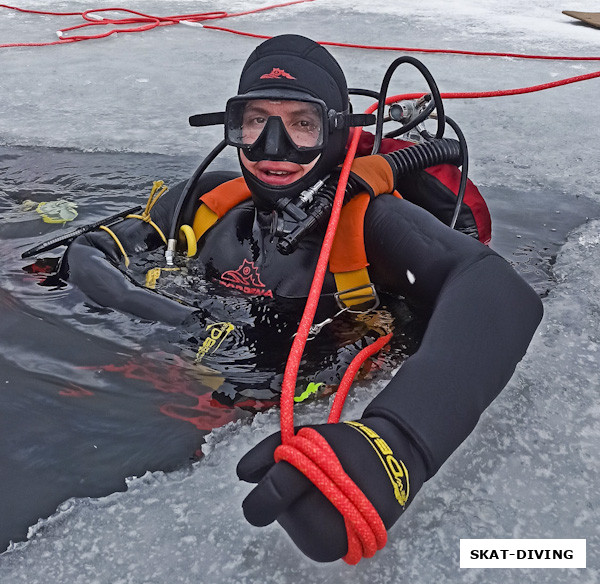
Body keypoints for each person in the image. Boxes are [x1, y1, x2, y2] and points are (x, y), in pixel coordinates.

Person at [64, 34, 543, 563]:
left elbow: (499, 290)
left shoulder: (368, 222)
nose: (273, 148)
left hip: (296, 394)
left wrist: (398, 443)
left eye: (301, 125)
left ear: (337, 132)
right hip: (183, 380)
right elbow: (86, 254)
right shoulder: (205, 202)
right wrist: (175, 318)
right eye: (255, 122)